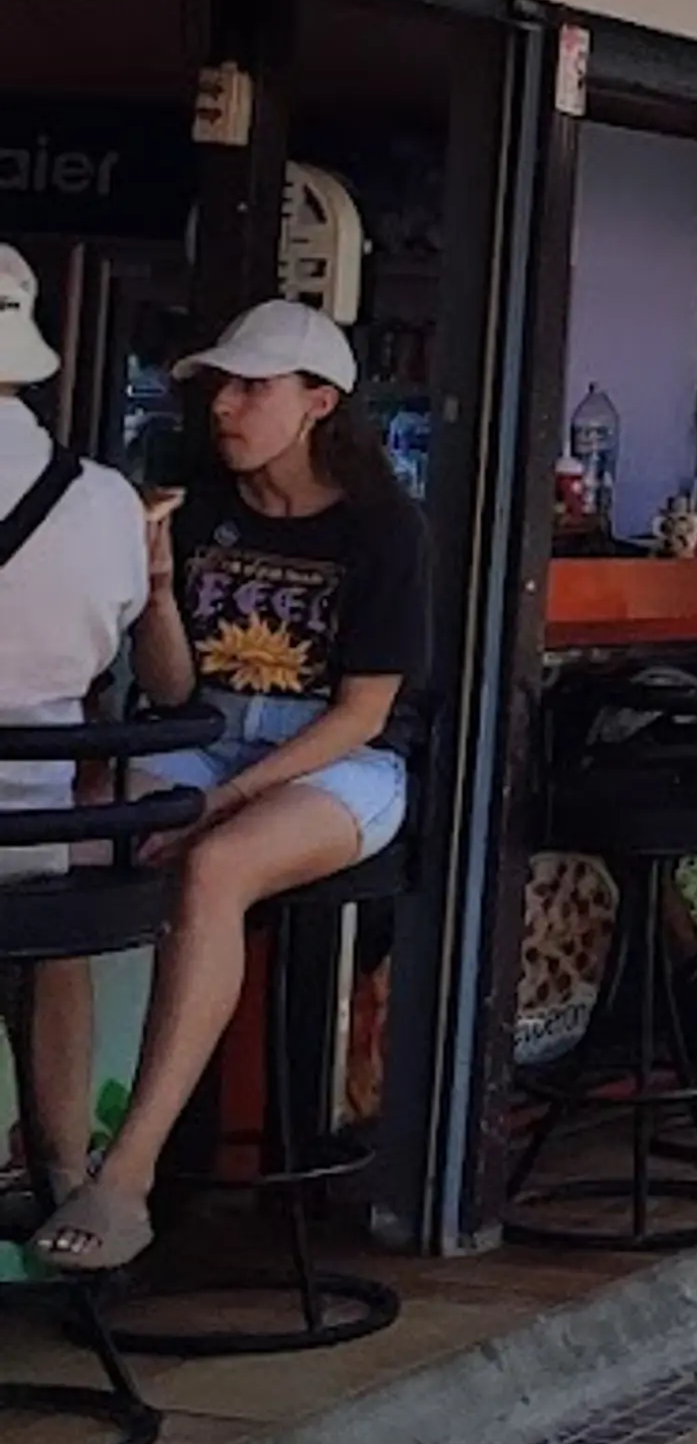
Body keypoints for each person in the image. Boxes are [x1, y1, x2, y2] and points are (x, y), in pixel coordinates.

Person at [43, 302, 426, 1274]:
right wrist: (162, 591)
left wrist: (224, 799)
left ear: (319, 404)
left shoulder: (384, 528)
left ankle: (128, 1175)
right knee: (59, 843)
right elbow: (171, 687)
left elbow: (361, 715)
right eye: (221, 384)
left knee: (215, 868)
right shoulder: (203, 505)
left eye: (253, 386)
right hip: (206, 731)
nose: (226, 404)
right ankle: (52, 1151)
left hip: (335, 762)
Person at [0, 244, 158, 1218]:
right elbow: (118, 646)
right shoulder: (104, 498)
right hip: (38, 860)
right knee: (43, 926)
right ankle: (63, 1178)